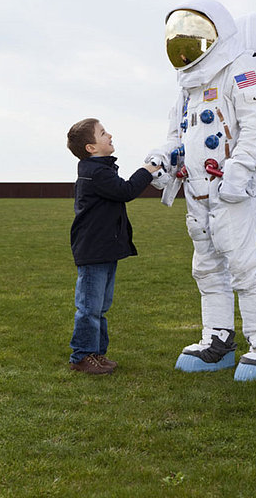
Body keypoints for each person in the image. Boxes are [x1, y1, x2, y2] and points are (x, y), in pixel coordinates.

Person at [147, 0, 256, 381]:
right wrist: (164, 158)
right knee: (206, 268)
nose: (187, 46)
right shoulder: (188, 88)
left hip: (232, 188)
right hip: (196, 190)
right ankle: (218, 339)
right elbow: (178, 136)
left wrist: (239, 171)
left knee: (243, 265)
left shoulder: (239, 69)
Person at [67, 118, 160, 374]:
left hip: (104, 249)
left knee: (100, 306)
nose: (110, 135)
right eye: (103, 133)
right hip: (93, 250)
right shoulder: (95, 172)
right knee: (89, 308)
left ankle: (96, 354)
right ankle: (82, 357)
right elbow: (125, 191)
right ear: (91, 148)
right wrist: (148, 169)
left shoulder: (101, 169)